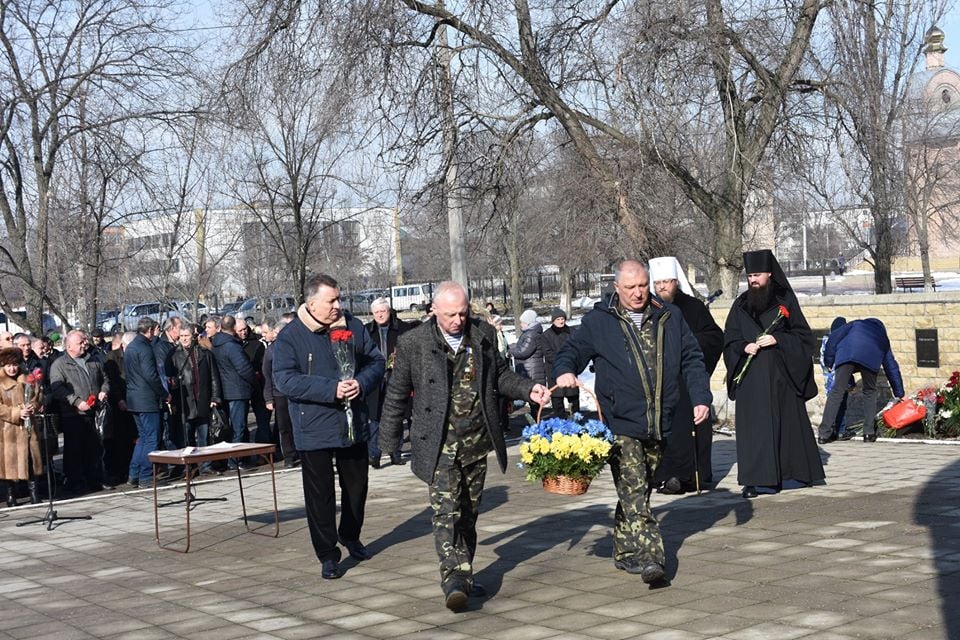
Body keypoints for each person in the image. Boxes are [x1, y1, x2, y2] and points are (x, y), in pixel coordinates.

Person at [380, 281, 550, 611]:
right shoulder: (413, 342)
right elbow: (397, 392)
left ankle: (465, 573)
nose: (458, 320)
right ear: (434, 311)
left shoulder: (482, 335)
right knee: (446, 513)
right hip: (438, 444)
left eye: (462, 313)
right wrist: (387, 440)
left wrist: (529, 389)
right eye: (450, 315)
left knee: (469, 515)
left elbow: (501, 377)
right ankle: (454, 578)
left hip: (476, 441)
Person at [553, 260, 712, 584]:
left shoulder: (670, 316)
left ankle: (624, 552)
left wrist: (700, 396)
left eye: (642, 285)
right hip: (620, 421)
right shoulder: (600, 321)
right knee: (635, 489)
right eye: (630, 288)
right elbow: (573, 350)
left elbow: (692, 358)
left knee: (636, 492)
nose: (638, 293)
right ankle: (652, 557)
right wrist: (565, 369)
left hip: (660, 419)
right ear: (617, 288)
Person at [273, 274, 385, 580]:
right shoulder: (291, 336)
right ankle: (327, 554)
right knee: (320, 496)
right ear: (311, 303)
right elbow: (284, 379)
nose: (338, 305)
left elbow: (376, 362)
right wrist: (330, 389)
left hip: (353, 423)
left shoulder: (353, 326)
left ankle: (350, 535)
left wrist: (360, 384)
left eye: (339, 299)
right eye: (331, 300)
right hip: (314, 427)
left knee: (356, 487)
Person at [722, 249, 824, 498]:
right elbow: (729, 338)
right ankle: (755, 481)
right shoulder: (741, 304)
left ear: (769, 273)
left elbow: (803, 338)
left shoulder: (785, 300)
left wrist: (777, 339)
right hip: (752, 382)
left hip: (781, 378)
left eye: (757, 274)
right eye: (749, 276)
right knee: (754, 433)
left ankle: (791, 475)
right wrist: (742, 347)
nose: (753, 280)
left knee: (785, 428)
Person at [649, 257, 724, 494]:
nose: (662, 287)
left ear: (676, 282)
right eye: (658, 283)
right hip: (659, 382)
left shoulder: (693, 307)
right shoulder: (649, 309)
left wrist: (687, 344)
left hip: (687, 382)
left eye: (667, 282)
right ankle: (663, 475)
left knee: (687, 429)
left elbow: (714, 337)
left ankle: (689, 476)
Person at [818, 318, 905, 443]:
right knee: (870, 392)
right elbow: (891, 367)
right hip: (870, 358)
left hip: (846, 355)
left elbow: (834, 338)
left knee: (836, 392)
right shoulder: (881, 336)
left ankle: (823, 434)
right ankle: (868, 433)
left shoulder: (855, 324)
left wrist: (829, 361)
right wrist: (899, 393)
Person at [48, 330, 110, 493]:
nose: (84, 344)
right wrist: (76, 402)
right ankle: (75, 481)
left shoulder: (93, 360)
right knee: (74, 450)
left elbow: (104, 379)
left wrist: (104, 390)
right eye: (80, 342)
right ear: (69, 346)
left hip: (94, 412)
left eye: (84, 341)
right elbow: (58, 389)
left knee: (94, 448)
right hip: (73, 415)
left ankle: (95, 479)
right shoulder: (60, 365)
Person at [364, 297, 414, 469]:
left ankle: (396, 452)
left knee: (396, 417)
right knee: (375, 420)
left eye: (383, 311)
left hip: (397, 378)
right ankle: (374, 454)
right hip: (375, 381)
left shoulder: (403, 329)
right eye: (376, 312)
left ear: (389, 311)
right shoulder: (366, 331)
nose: (380, 315)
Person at [168, 326, 222, 474]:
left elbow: (213, 377)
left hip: (202, 400)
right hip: (185, 403)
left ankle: (206, 465)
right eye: (181, 336)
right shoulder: (174, 355)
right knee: (187, 437)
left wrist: (215, 397)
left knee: (204, 436)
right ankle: (189, 466)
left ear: (193, 336)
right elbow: (168, 378)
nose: (184, 338)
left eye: (186, 335)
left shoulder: (205, 354)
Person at [125, 318, 167, 488]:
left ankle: (134, 473)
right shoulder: (145, 349)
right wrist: (164, 394)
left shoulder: (131, 347)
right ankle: (146, 476)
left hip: (134, 398)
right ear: (149, 330)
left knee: (143, 438)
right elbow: (151, 375)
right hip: (147, 400)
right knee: (151, 439)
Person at [210, 315, 255, 470]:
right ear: (233, 328)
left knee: (230, 427)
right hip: (237, 390)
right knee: (239, 428)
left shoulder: (215, 344)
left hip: (224, 390)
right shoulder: (232, 346)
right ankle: (235, 461)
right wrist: (254, 381)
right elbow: (244, 368)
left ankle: (230, 459)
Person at [0, 348, 44, 507]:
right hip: (8, 430)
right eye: (8, 365)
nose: (12, 368)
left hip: (28, 428)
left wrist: (33, 405)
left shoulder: (27, 378)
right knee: (8, 463)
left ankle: (34, 493)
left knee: (31, 460)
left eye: (15, 365)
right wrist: (17, 412)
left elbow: (38, 395)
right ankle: (11, 495)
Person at [263, 313, 297, 467]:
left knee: (297, 423)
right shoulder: (271, 350)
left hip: (295, 391)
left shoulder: (295, 347)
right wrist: (269, 397)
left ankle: (301, 451)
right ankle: (289, 455)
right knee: (283, 426)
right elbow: (267, 375)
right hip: (279, 393)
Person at [237, 318, 271, 446]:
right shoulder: (234, 344)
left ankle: (263, 446)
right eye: (240, 331)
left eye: (245, 329)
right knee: (241, 422)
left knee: (263, 419)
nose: (243, 333)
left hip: (258, 385)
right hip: (242, 387)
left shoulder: (257, 343)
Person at [819, 316, 853, 441]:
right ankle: (840, 431)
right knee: (841, 405)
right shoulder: (841, 342)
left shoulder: (825, 341)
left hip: (828, 380)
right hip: (839, 379)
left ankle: (831, 429)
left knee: (832, 405)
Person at [541, 307, 579, 417]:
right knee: (557, 400)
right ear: (553, 321)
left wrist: (570, 361)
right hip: (554, 371)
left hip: (570, 369)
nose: (561, 321)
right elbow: (547, 353)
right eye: (558, 319)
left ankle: (577, 421)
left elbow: (576, 349)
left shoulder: (572, 332)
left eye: (562, 318)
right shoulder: (546, 335)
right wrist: (561, 362)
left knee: (574, 398)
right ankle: (560, 422)